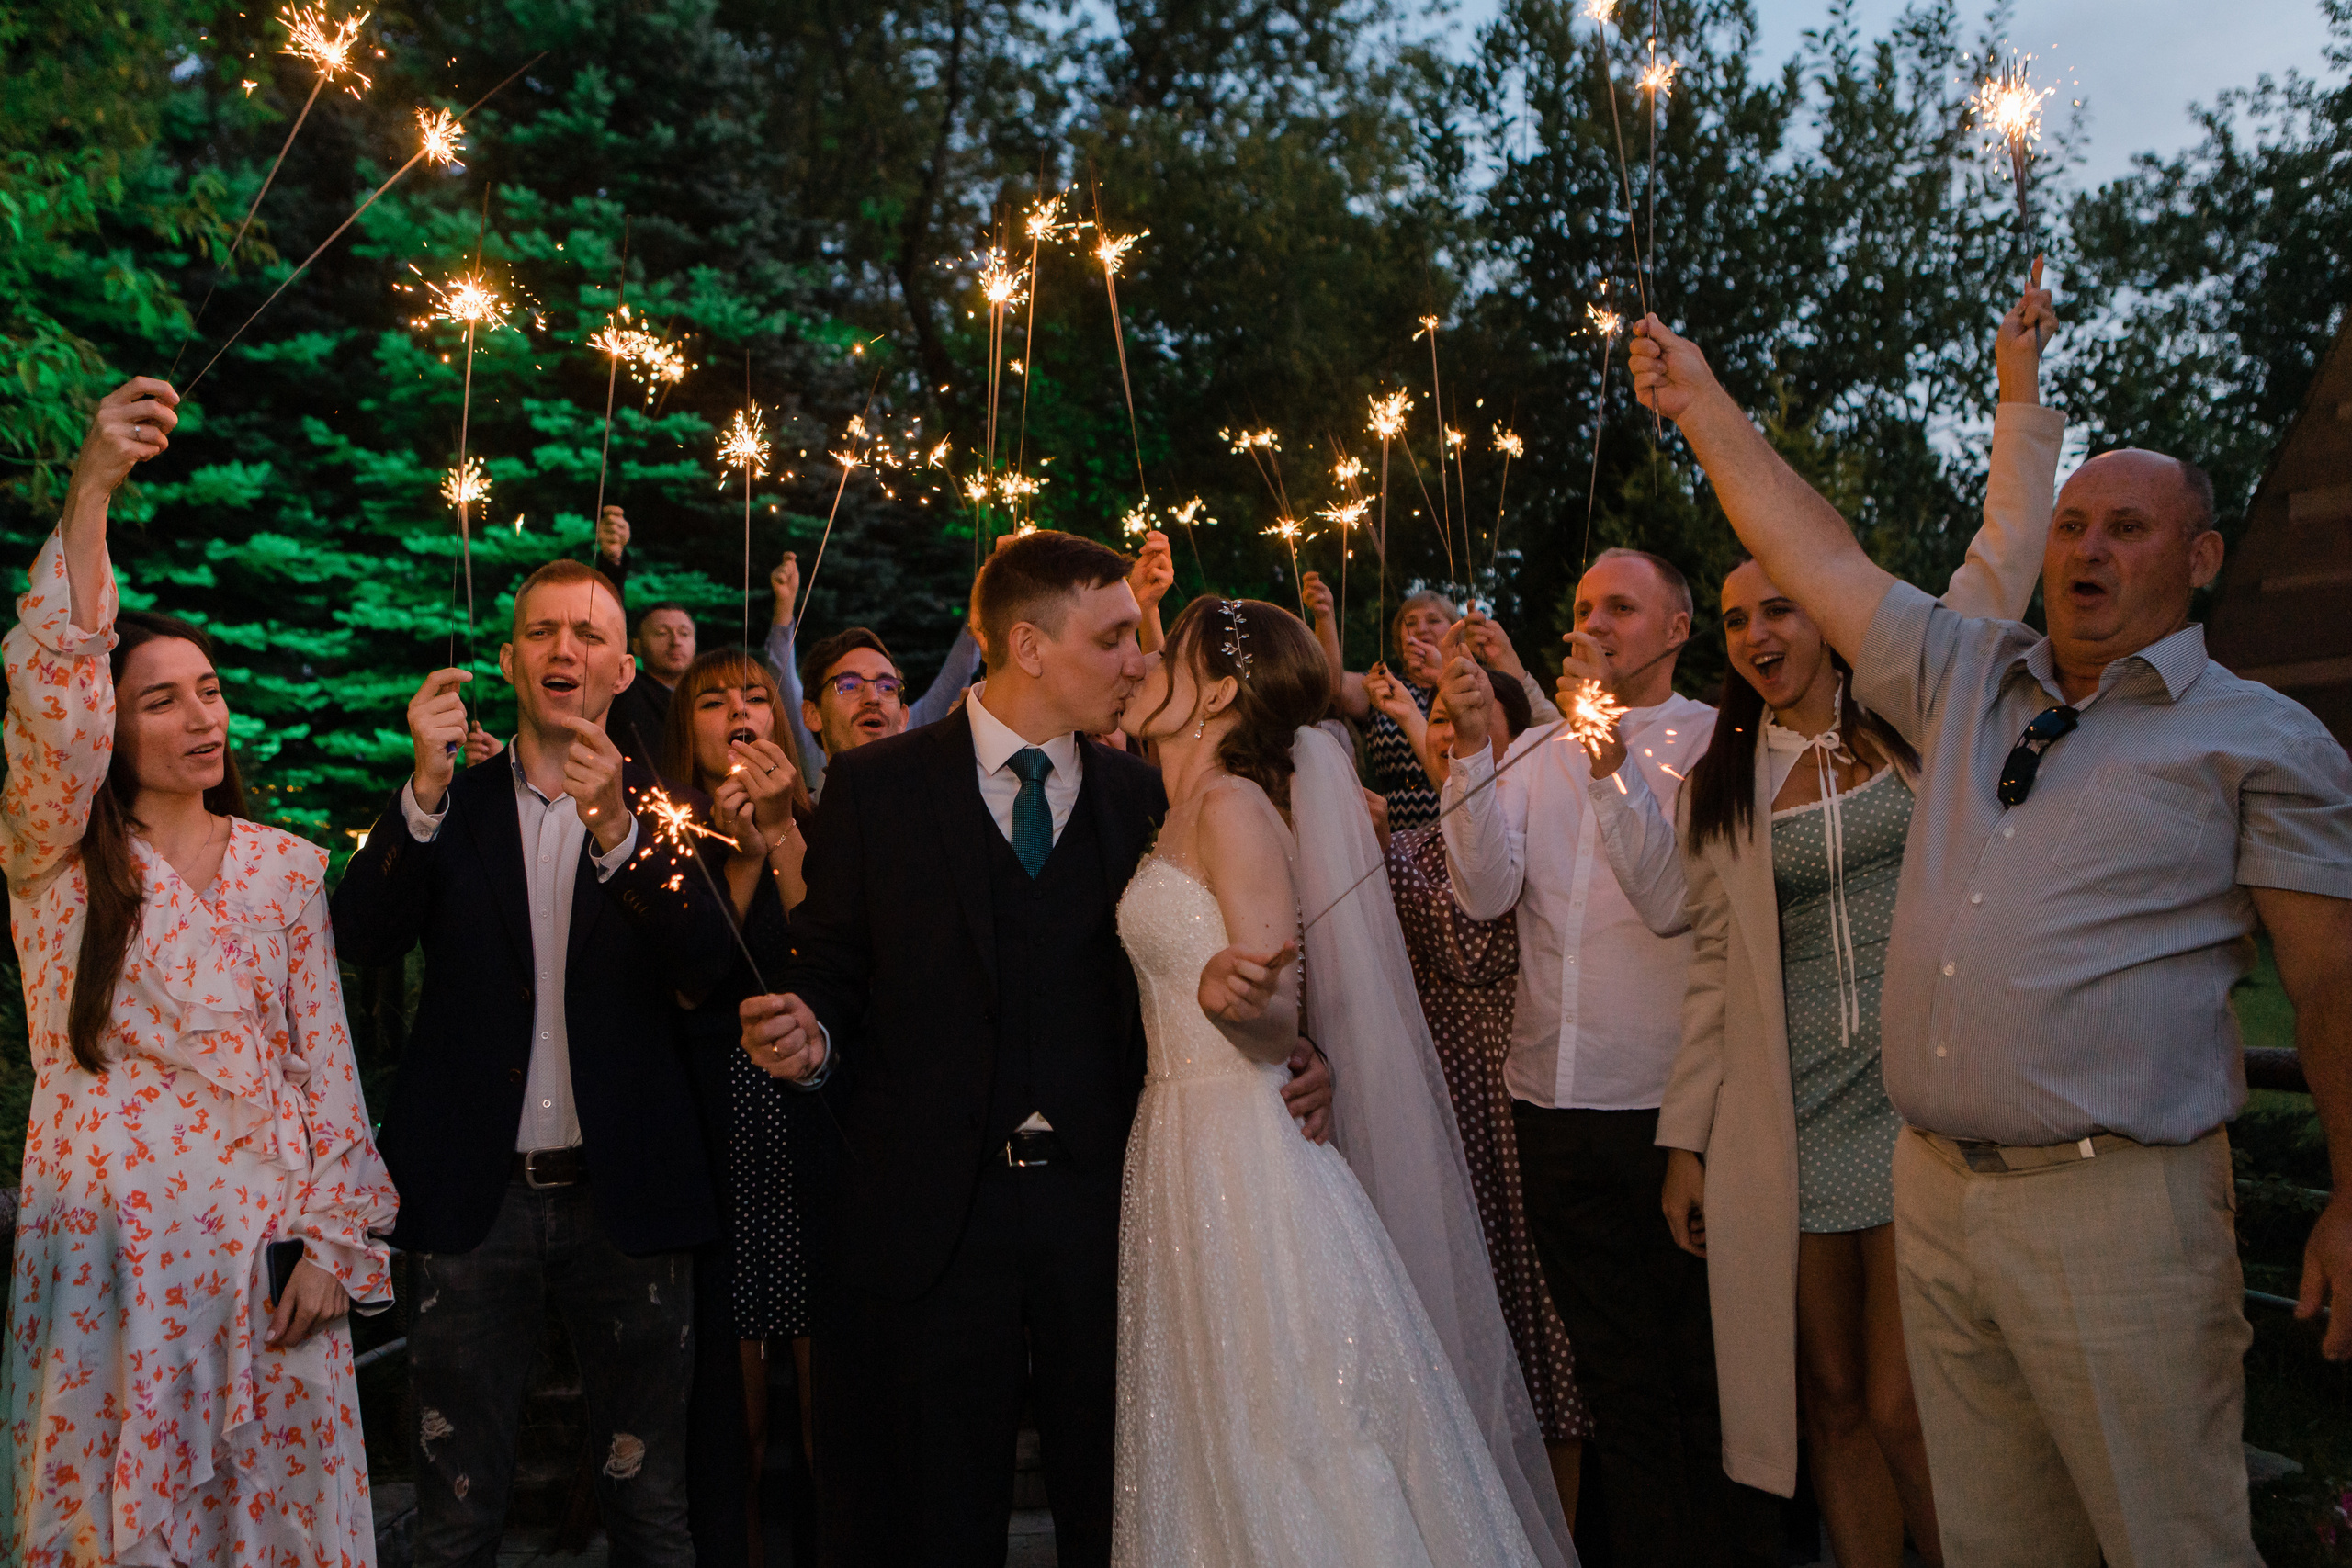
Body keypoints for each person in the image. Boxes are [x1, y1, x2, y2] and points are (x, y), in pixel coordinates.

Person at [1631, 310, 2352, 1567]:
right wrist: (1700, 406)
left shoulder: (2258, 739)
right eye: (2069, 523)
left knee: (2164, 1535)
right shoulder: (1968, 677)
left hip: (2118, 1204)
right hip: (1940, 1196)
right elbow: (1819, 550)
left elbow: (2331, 978)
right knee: (1996, 1543)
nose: (2084, 547)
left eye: (2126, 527)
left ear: (2204, 556)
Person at [1578, 278, 2062, 1567]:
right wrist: (1685, 1142)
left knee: (1917, 1405)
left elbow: (2006, 553)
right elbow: (1711, 974)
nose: (1753, 633)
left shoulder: (1923, 717)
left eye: (1776, 605)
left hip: (1914, 1109)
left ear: (1827, 605)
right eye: (1733, 620)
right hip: (1788, 1126)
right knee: (1832, 1402)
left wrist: (2018, 405)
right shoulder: (1729, 784)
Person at [733, 529, 1331, 1566]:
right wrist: (810, 1034)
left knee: (1126, 1503)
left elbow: (1210, 960)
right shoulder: (875, 789)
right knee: (931, 1514)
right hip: (928, 1217)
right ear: (1030, 645)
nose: (1140, 660)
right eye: (1114, 638)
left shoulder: (1144, 796)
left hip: (1115, 1212)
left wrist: (1290, 1049)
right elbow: (827, 967)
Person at [0, 379, 399, 1563]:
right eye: (160, 700)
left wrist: (335, 1245)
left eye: (211, 692)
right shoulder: (54, 863)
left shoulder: (283, 870)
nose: (199, 718)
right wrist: (92, 494)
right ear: (107, 733)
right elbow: (53, 686)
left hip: (261, 1267)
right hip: (111, 1266)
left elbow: (325, 1063)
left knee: (267, 1525)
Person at [1104, 594, 1574, 1564]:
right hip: (1181, 1144)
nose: (1146, 662)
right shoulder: (1182, 808)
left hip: (1243, 1151)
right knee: (1218, 1428)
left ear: (1222, 692)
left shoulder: (1232, 807)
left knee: (1294, 1426)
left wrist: (1235, 1000)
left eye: (1168, 653)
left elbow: (1278, 1012)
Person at [332, 558, 736, 1568]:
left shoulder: (669, 815)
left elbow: (710, 973)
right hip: (474, 1199)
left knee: (653, 1508)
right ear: (508, 660)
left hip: (630, 1195)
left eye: (591, 634)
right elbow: (361, 938)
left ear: (620, 669)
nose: (567, 649)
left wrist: (617, 838)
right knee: (456, 1513)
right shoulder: (450, 805)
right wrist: (418, 793)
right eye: (545, 632)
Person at [1438, 545, 1782, 1564]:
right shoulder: (1531, 752)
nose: (1594, 625)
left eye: (1620, 609)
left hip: (1668, 1112)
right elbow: (1484, 893)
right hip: (1549, 1104)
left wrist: (1600, 757)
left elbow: (1671, 903)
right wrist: (1465, 751)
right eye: (1584, 606)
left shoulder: (1718, 745)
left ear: (1676, 630)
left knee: (1699, 1370)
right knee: (1610, 1371)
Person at [1379, 661, 1594, 1522]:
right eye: (1441, 716)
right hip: (1443, 1102)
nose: (1450, 729)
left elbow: (1476, 944)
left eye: (1473, 716)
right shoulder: (1402, 844)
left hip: (1518, 1091)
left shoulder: (1535, 826)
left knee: (1546, 1331)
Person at [658, 649, 819, 1568]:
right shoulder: (669, 842)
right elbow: (691, 984)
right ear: (691, 732)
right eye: (714, 702)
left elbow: (833, 955)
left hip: (808, 1137)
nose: (738, 712)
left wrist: (782, 834)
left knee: (832, 1418)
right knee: (735, 1429)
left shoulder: (827, 824)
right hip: (722, 1144)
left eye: (756, 696)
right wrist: (742, 860)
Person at [1303, 575, 1562, 831]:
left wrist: (1445, 674)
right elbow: (1333, 685)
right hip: (1397, 834)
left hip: (1476, 826)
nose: (1420, 629)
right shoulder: (1387, 685)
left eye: (1433, 620)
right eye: (1410, 622)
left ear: (1456, 630)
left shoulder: (1480, 684)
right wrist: (1324, 618)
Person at [608, 599, 696, 769]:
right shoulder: (624, 694)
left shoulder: (706, 697)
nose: (676, 641)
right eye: (662, 633)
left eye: (684, 634)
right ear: (637, 645)